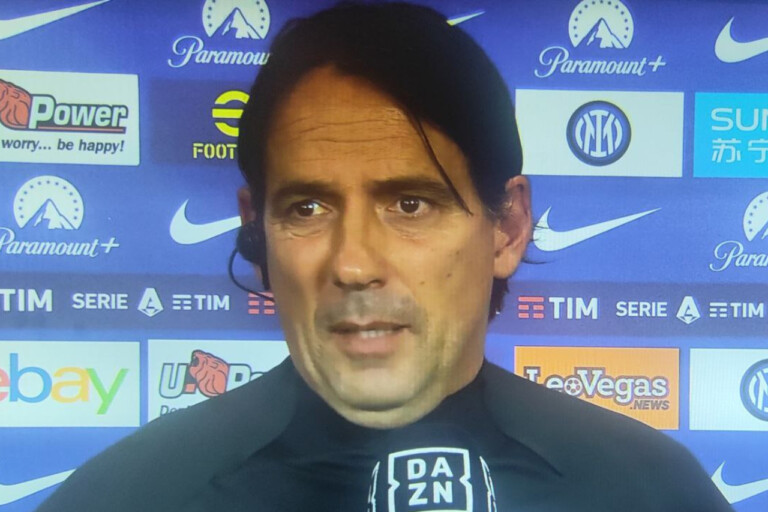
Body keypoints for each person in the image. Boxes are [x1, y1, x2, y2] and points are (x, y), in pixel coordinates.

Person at [38, 2, 733, 511]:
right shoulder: (127, 496)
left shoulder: (651, 491)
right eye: (307, 208)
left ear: (508, 227)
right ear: (256, 232)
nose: (353, 264)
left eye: (410, 203)